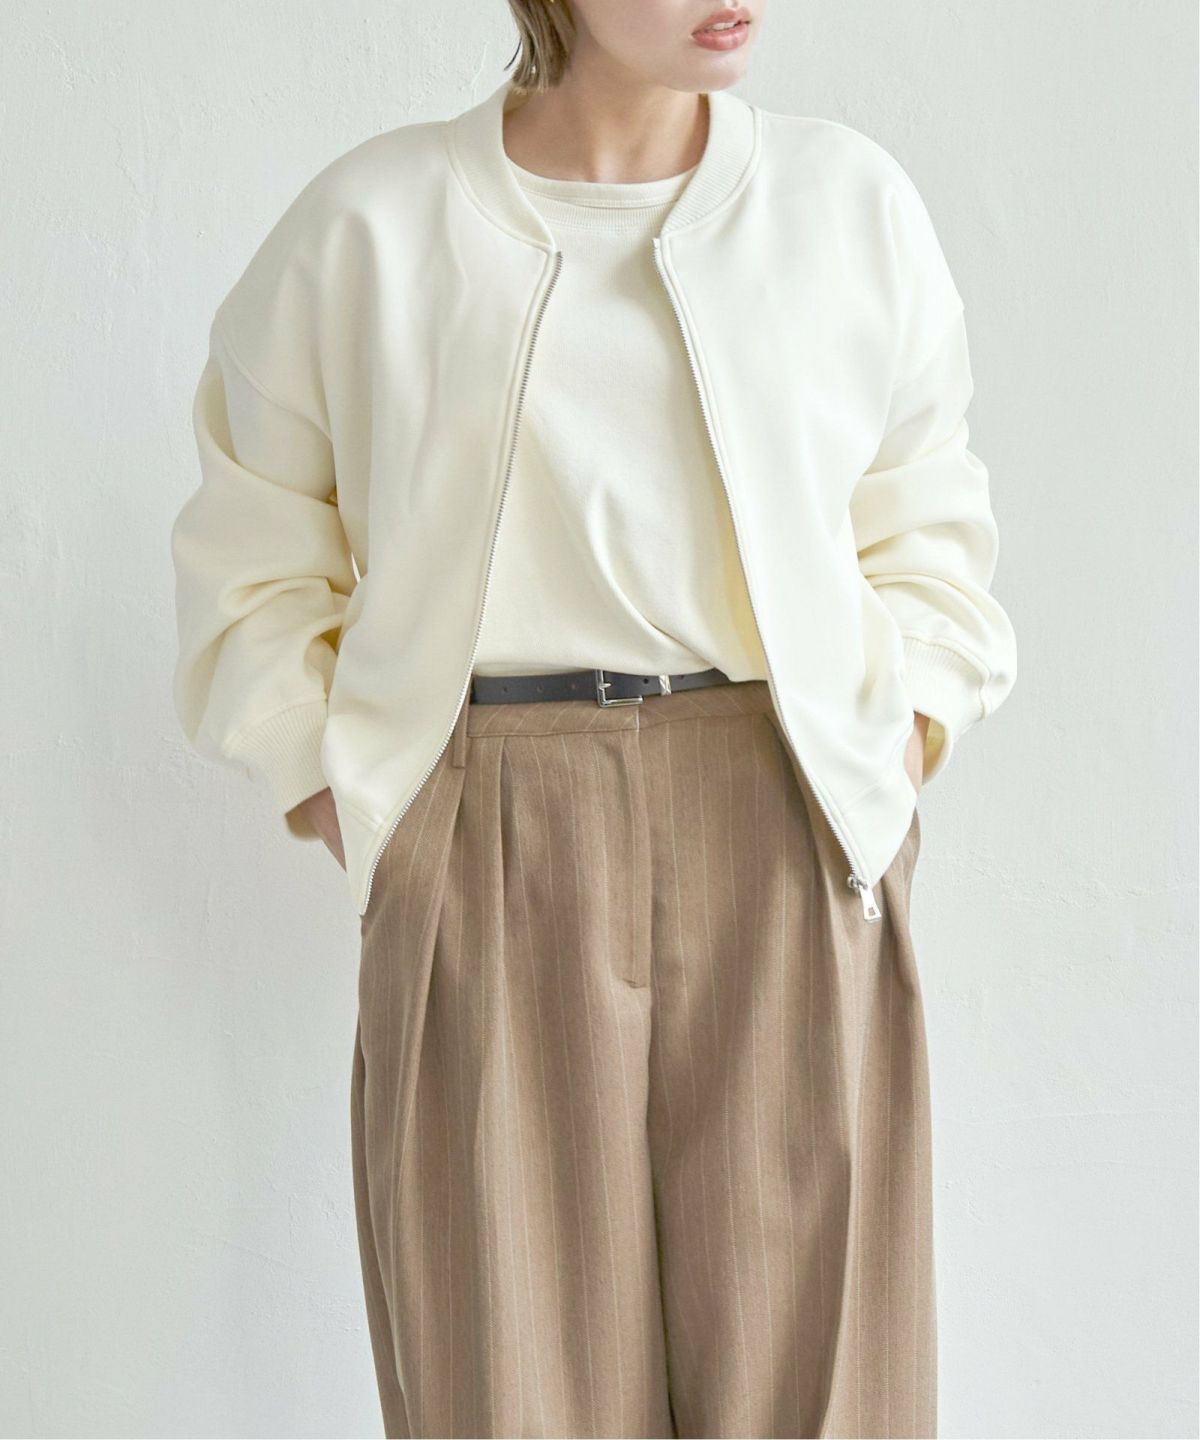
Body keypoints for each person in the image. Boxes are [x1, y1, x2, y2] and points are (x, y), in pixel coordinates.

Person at [169, 1, 1018, 1435]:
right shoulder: (373, 225)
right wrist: (352, 794)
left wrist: (902, 737)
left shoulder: (844, 205)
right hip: (488, 822)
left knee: (822, 1389)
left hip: (789, 812)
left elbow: (927, 520)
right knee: (504, 1379)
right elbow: (250, 549)